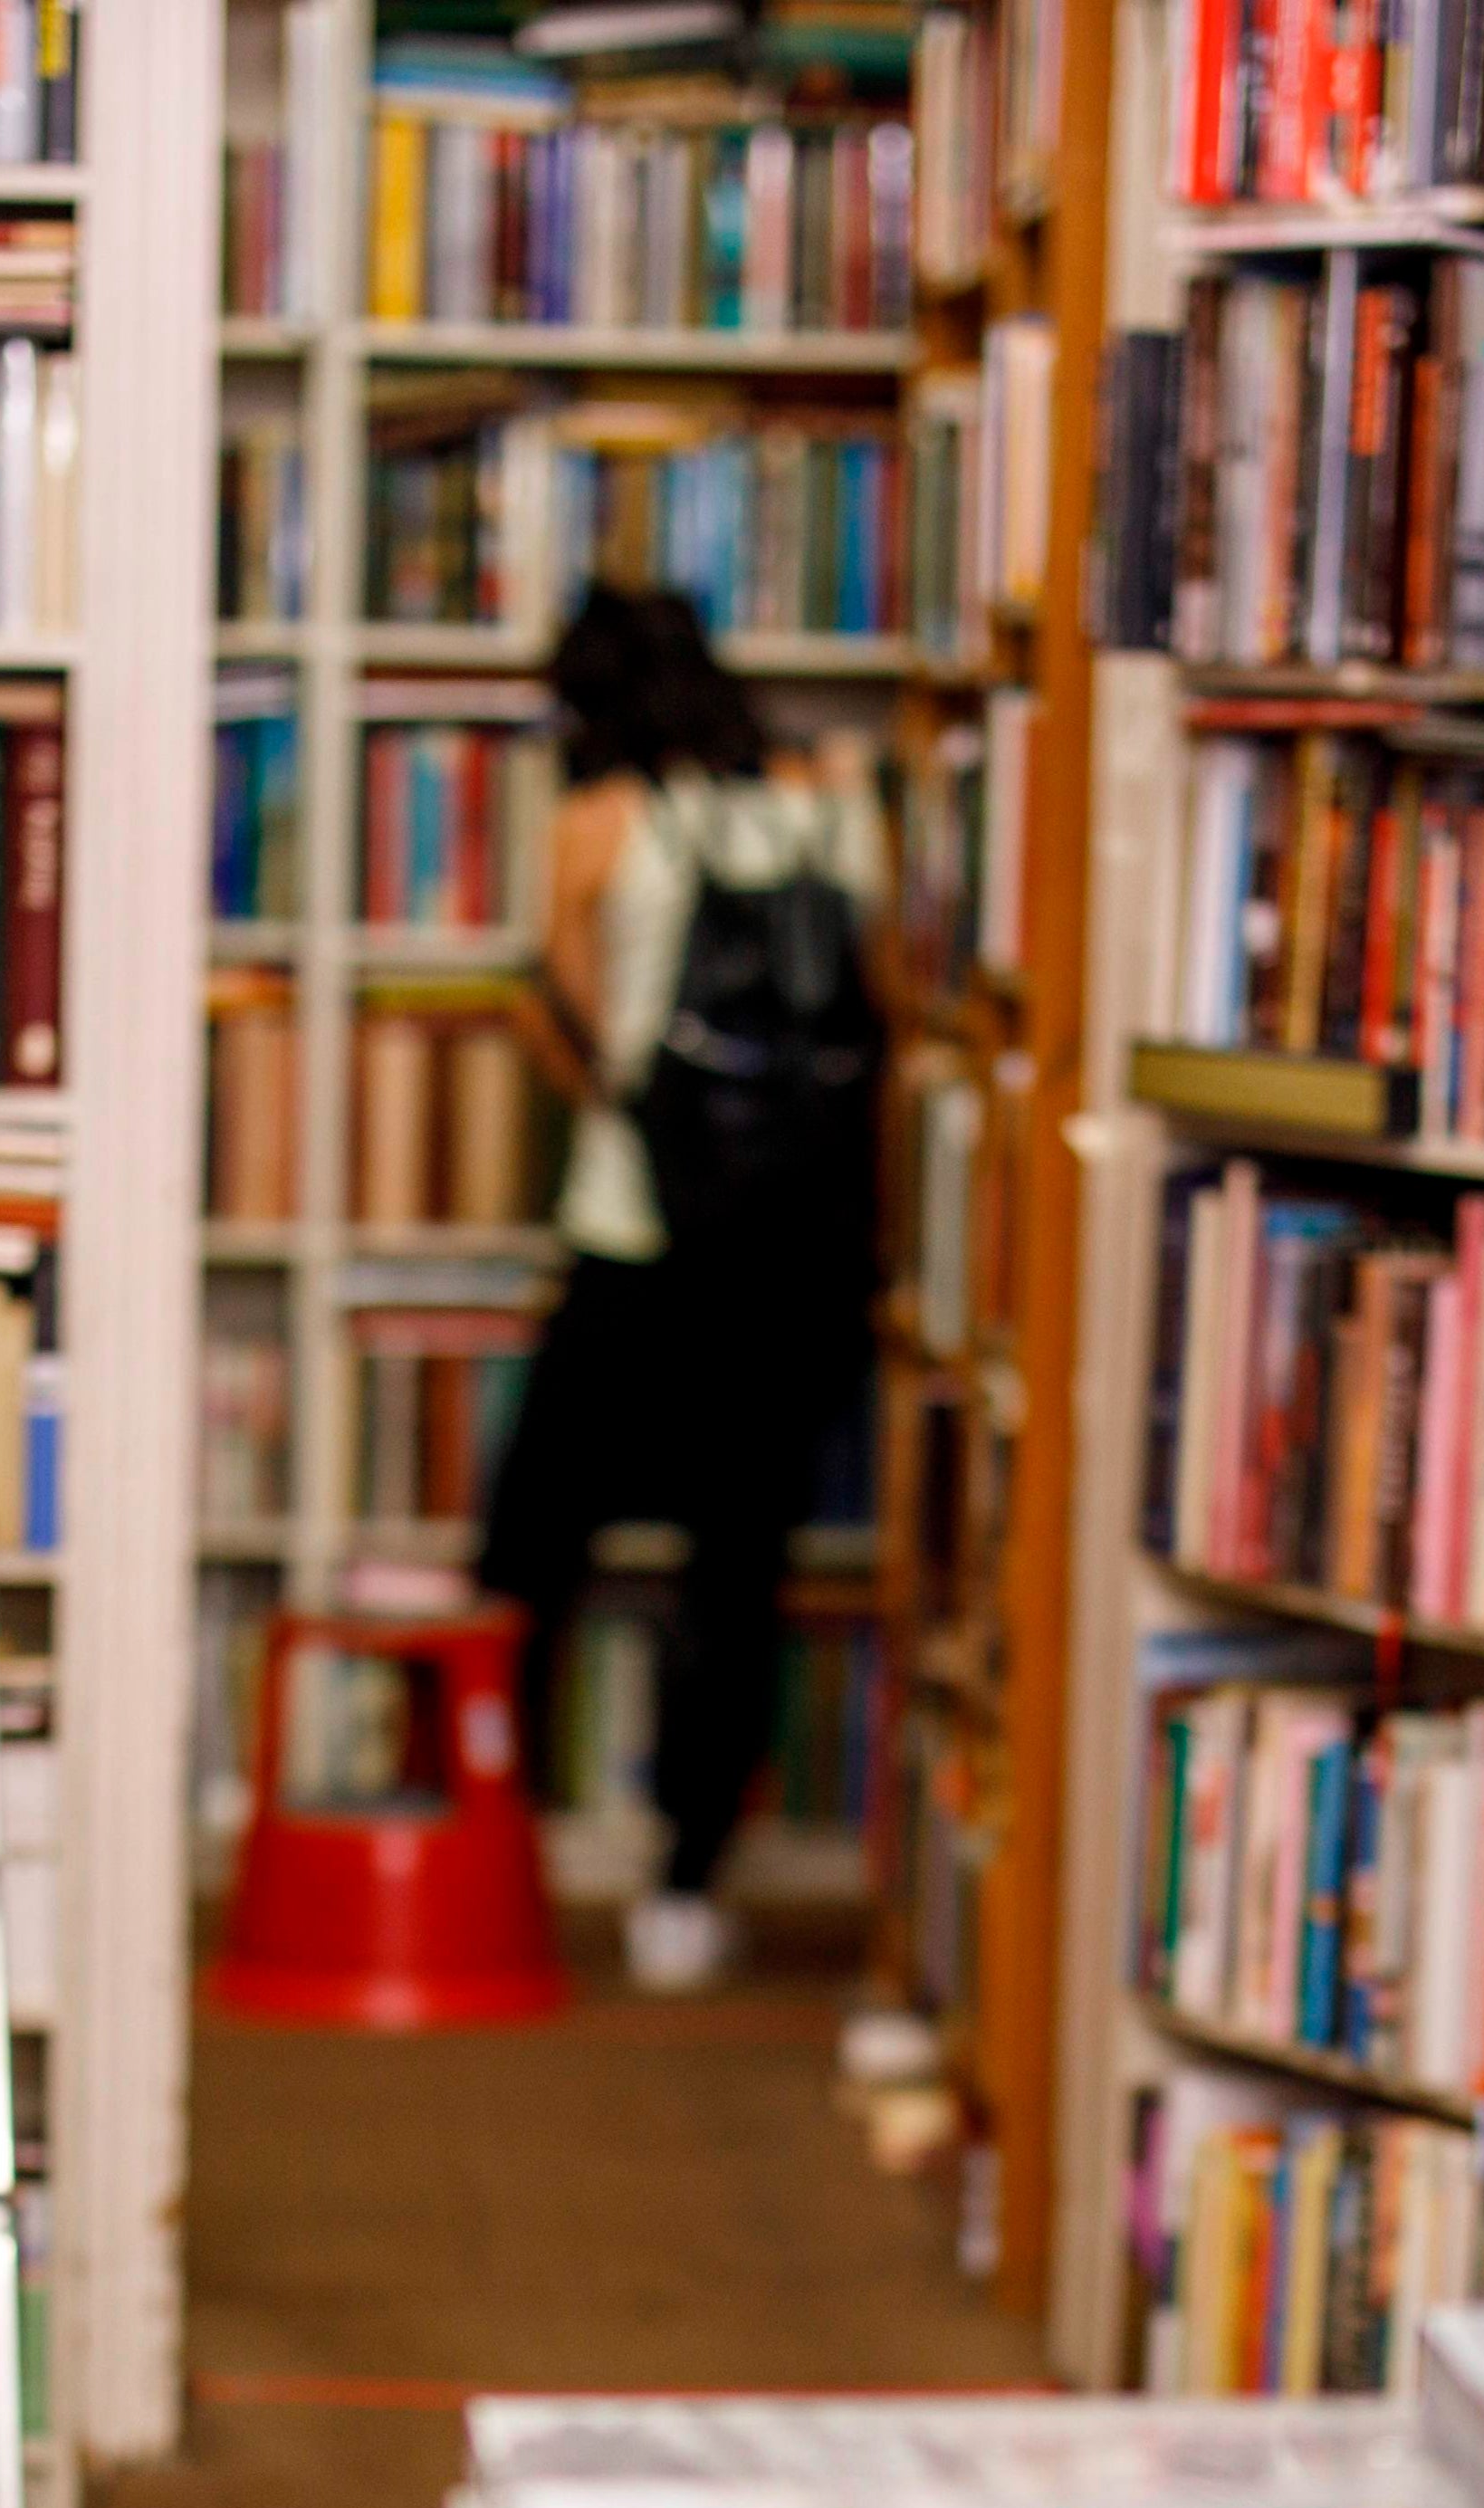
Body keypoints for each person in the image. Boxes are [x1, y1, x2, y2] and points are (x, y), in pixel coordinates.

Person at [480, 582, 892, 1996]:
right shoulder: (832, 799)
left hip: (635, 1237)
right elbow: (873, 1007)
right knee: (739, 1573)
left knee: (527, 1555)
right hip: (790, 1260)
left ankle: (499, 1847)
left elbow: (562, 1028)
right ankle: (685, 1889)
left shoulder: (600, 823)